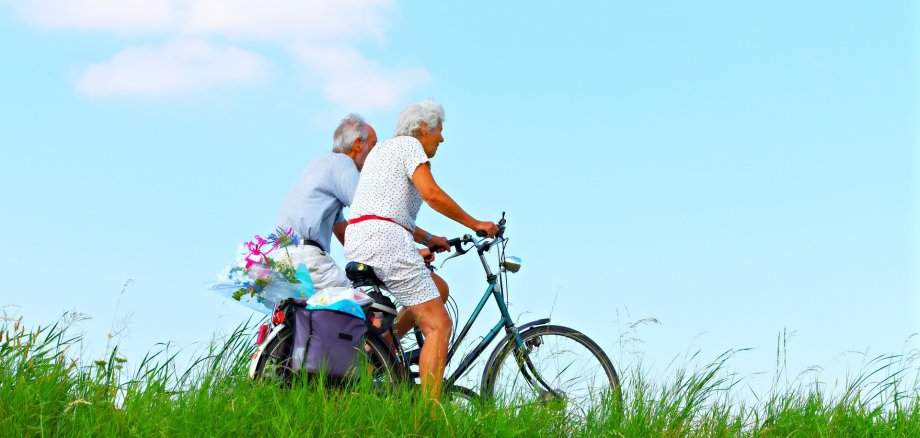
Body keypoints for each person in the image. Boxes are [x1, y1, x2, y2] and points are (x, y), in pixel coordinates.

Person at [344, 100, 499, 400]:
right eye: (440, 130)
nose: (441, 138)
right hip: (385, 241)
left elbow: (383, 208)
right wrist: (475, 223)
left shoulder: (382, 151)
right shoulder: (410, 146)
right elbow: (432, 194)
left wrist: (428, 239)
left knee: (437, 288)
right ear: (424, 128)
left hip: (362, 239)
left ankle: (382, 352)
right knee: (439, 325)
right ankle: (427, 420)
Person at [275, 114, 377, 290]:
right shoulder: (343, 163)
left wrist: (376, 259)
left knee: (312, 315)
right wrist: (408, 252)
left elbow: (342, 231)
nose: (375, 153)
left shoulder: (321, 163)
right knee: (362, 307)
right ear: (358, 143)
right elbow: (373, 212)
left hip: (283, 259)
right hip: (307, 259)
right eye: (374, 145)